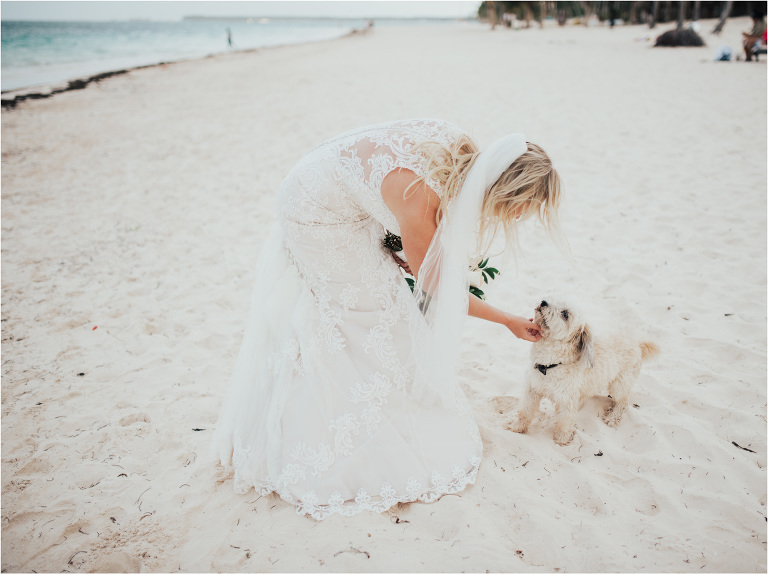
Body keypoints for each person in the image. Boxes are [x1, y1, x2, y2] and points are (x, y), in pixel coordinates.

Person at [210, 119, 563, 519]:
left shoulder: (457, 149)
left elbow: (375, 185)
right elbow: (438, 290)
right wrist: (506, 320)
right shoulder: (421, 199)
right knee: (368, 312)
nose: (519, 218)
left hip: (334, 190)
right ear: (505, 190)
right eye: (522, 208)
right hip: (315, 211)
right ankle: (328, 435)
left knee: (385, 299)